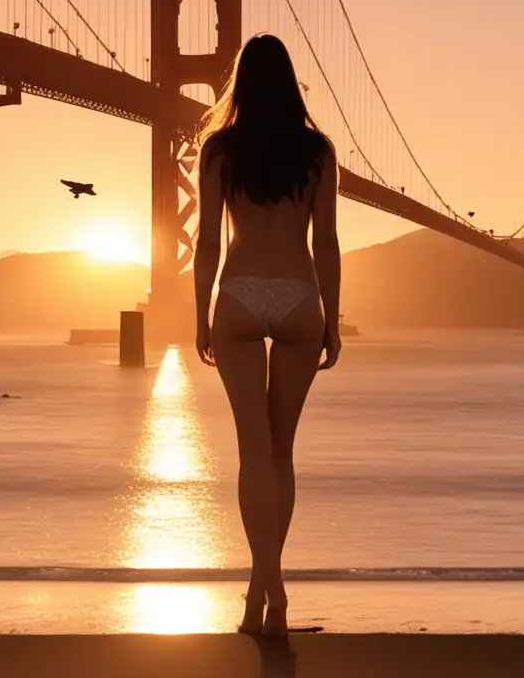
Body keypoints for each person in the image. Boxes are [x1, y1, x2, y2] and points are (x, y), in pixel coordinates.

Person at [192, 34, 341, 637]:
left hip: (240, 295)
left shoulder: (219, 151)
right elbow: (325, 242)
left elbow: (205, 243)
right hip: (300, 296)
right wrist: (333, 316)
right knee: (282, 454)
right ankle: (268, 594)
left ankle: (265, 592)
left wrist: (199, 315)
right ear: (290, 83)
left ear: (241, 85)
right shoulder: (318, 152)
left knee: (253, 454)